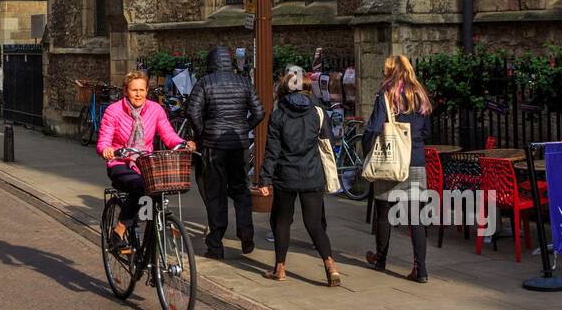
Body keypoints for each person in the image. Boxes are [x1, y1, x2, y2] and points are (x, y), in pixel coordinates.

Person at [254, 67, 341, 286]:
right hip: (312, 174)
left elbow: (272, 150)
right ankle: (330, 266)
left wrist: (265, 179)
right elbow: (327, 142)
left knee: (281, 221)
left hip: (286, 176)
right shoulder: (317, 111)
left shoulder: (279, 112)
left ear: (285, 87)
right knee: (314, 224)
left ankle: (280, 268)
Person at [97, 71, 196, 254]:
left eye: (142, 90)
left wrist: (182, 144)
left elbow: (168, 135)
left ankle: (148, 242)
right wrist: (107, 150)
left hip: (145, 164)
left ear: (147, 90)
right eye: (134, 90)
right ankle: (119, 231)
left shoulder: (155, 109)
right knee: (140, 187)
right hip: (120, 163)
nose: (138, 94)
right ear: (126, 91)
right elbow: (104, 140)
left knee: (156, 192)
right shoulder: (114, 111)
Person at [184, 45, 266, 260]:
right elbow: (259, 112)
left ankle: (216, 243)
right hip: (238, 144)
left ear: (211, 63)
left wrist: (202, 133)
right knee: (241, 189)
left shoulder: (204, 83)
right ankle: (246, 233)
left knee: (216, 193)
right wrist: (243, 128)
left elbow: (192, 112)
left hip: (214, 145)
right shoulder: (244, 82)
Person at [359, 54, 433, 283]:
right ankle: (420, 270)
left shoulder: (387, 95)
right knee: (416, 218)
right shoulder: (421, 95)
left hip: (391, 160)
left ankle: (380, 260)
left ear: (390, 71)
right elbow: (427, 130)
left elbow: (373, 127)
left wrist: (368, 150)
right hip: (416, 161)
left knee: (384, 212)